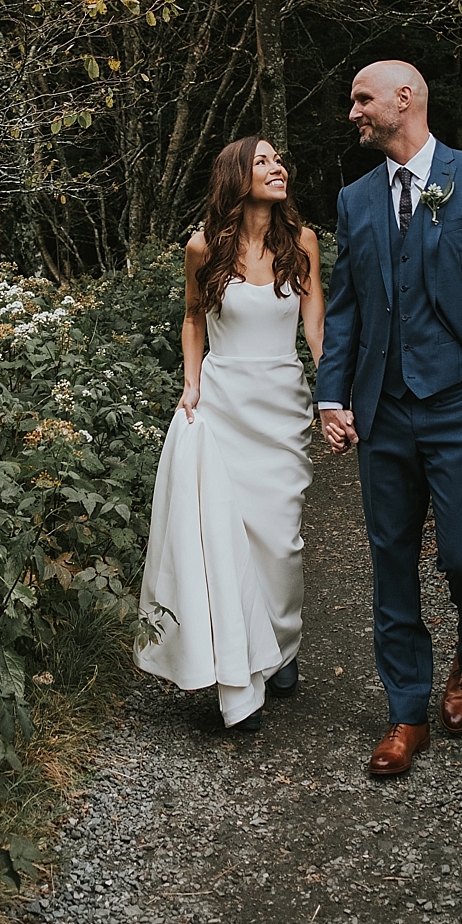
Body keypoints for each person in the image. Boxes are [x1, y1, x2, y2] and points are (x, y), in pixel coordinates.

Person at [315, 61, 462, 775]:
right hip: (384, 412)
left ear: (403, 100)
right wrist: (332, 395)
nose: (353, 113)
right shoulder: (354, 200)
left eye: (361, 99)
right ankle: (406, 713)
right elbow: (344, 307)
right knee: (391, 561)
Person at [135, 136, 324, 730]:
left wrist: (337, 396)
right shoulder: (202, 247)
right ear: (236, 176)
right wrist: (190, 385)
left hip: (282, 404)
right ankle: (242, 659)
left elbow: (316, 328)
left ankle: (283, 644)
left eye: (279, 159)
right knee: (229, 534)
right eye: (264, 161)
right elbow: (193, 318)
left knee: (281, 536)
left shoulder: (303, 242)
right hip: (222, 403)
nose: (279, 167)